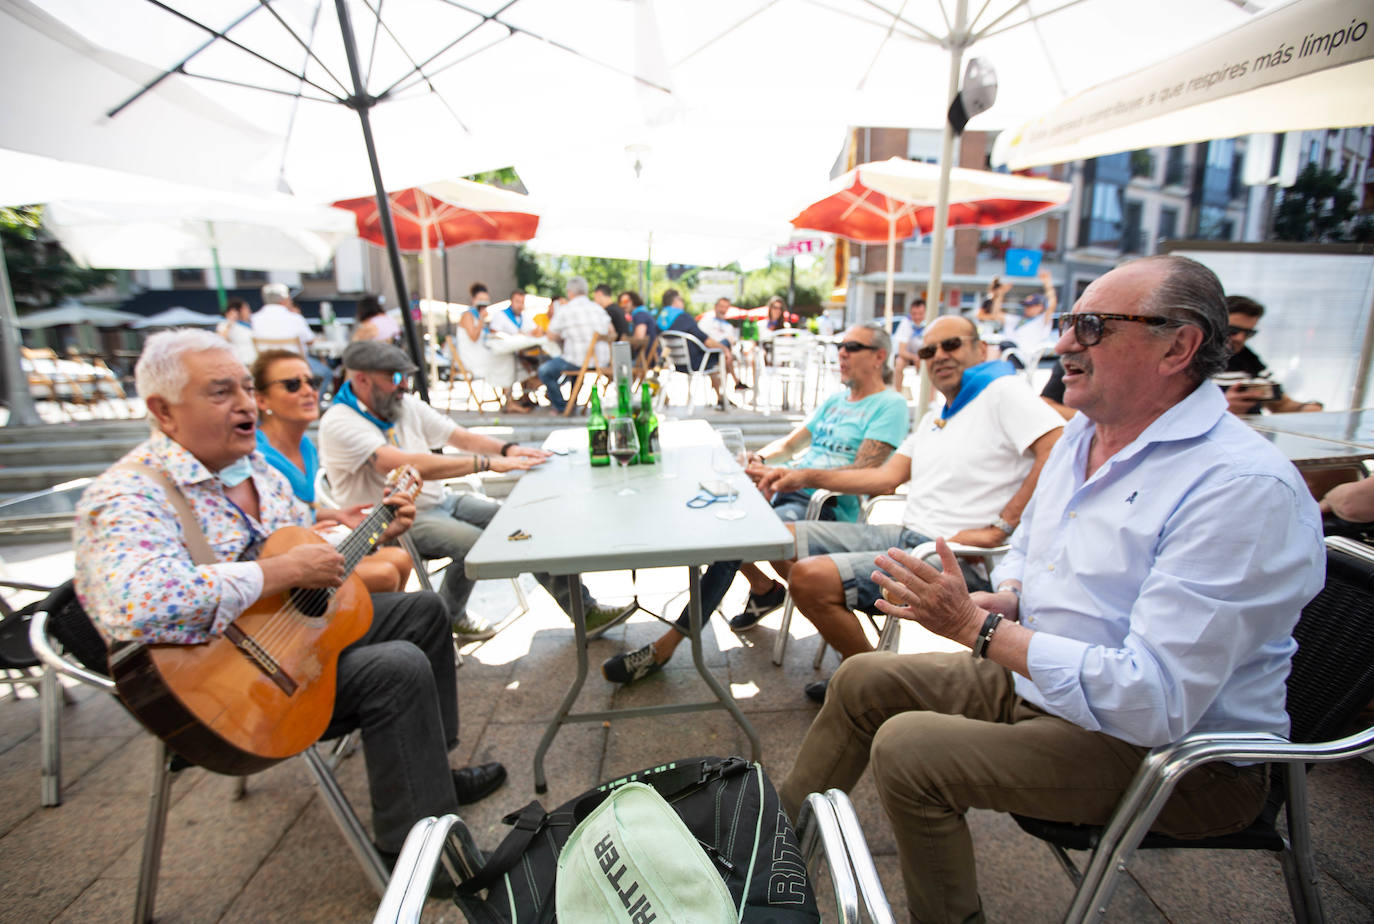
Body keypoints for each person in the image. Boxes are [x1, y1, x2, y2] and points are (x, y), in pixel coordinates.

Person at [777, 255, 1325, 924]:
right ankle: (767, 854)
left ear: (1177, 346)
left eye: (1091, 326)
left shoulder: (1239, 487)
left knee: (909, 750)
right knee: (862, 678)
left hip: (1180, 761)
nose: (1062, 342)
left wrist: (983, 631)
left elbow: (1154, 700)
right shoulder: (1085, 434)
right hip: (1057, 691)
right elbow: (1034, 548)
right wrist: (1005, 597)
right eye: (1068, 322)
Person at [74, 329, 507, 867]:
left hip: (282, 641)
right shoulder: (125, 495)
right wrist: (278, 569)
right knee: (396, 668)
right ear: (163, 412)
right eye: (220, 392)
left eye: (245, 388)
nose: (246, 404)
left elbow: (299, 550)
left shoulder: (258, 472)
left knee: (423, 612)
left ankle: (430, 775)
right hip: (227, 690)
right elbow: (143, 602)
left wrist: (368, 530)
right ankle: (418, 859)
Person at [760, 314, 1063, 701]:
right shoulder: (938, 414)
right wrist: (802, 476)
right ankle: (872, 671)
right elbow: (884, 478)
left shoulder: (1001, 389)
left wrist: (1002, 526)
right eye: (928, 350)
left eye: (951, 345)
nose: (939, 356)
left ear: (980, 349)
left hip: (955, 555)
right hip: (908, 534)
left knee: (809, 578)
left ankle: (876, 687)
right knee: (778, 538)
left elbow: (1056, 444)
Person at [601, 323, 909, 685]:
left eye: (852, 347)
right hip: (789, 487)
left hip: (824, 504)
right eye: (840, 345)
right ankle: (764, 589)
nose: (841, 353)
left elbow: (865, 472)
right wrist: (758, 459)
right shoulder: (836, 401)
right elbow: (791, 445)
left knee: (738, 535)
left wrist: (801, 476)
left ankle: (665, 647)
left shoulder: (891, 404)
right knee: (717, 515)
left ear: (879, 357)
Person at [319, 340, 628, 639]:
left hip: (440, 501)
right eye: (395, 378)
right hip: (390, 521)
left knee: (527, 522)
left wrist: (508, 449)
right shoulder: (340, 421)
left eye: (406, 378)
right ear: (361, 379)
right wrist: (486, 463)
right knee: (479, 546)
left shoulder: (402, 404)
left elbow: (459, 436)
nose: (403, 386)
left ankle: (584, 612)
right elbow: (404, 464)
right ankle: (447, 618)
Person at [252, 349, 413, 593]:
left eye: (312, 382)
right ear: (261, 400)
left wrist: (335, 515)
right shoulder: (258, 456)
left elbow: (294, 508)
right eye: (293, 385)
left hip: (311, 540)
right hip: (282, 563)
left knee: (399, 559)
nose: (309, 391)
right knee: (385, 574)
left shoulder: (305, 446)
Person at [1221, 294, 1323, 415]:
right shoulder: (1195, 362)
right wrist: (1222, 408)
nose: (1240, 338)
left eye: (1248, 333)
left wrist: (1306, 408)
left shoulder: (1249, 360)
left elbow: (1281, 405)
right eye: (1233, 331)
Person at [536, 277, 613, 414]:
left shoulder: (566, 310)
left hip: (579, 360)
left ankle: (562, 406)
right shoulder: (598, 309)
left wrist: (565, 335)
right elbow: (611, 331)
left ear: (570, 292)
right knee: (574, 365)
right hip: (602, 361)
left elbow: (550, 334)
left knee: (545, 370)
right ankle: (572, 402)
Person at [452, 289, 529, 415]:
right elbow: (473, 337)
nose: (483, 303)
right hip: (472, 357)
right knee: (507, 359)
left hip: (481, 352)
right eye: (480, 299)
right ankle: (509, 402)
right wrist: (482, 319)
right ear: (473, 300)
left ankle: (512, 399)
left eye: (485, 300)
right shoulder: (468, 315)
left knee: (509, 357)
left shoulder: (477, 315)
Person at [657, 288, 733, 410]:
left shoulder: (660, 319)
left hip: (676, 364)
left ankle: (720, 396)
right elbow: (706, 341)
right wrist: (724, 348)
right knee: (725, 346)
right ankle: (724, 394)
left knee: (717, 354)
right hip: (695, 363)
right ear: (676, 301)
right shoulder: (683, 317)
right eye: (681, 300)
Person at [696, 297, 746, 391]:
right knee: (726, 350)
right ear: (715, 307)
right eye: (721, 306)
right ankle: (736, 382)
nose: (723, 309)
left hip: (722, 356)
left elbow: (733, 342)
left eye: (725, 307)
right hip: (707, 353)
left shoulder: (728, 326)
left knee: (725, 356)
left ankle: (722, 396)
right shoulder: (706, 321)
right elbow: (703, 340)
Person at [890, 296, 927, 387]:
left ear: (926, 313)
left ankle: (930, 398)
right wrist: (915, 358)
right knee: (899, 364)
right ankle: (897, 392)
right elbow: (901, 351)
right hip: (907, 356)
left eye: (920, 313)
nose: (917, 317)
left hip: (923, 355)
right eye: (914, 314)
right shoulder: (905, 323)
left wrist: (920, 358)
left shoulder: (930, 324)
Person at [216, 298, 257, 366]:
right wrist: (230, 322)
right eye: (246, 309)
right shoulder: (225, 324)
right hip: (240, 362)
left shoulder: (252, 324)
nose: (249, 311)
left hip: (254, 361)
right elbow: (220, 339)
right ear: (238, 311)